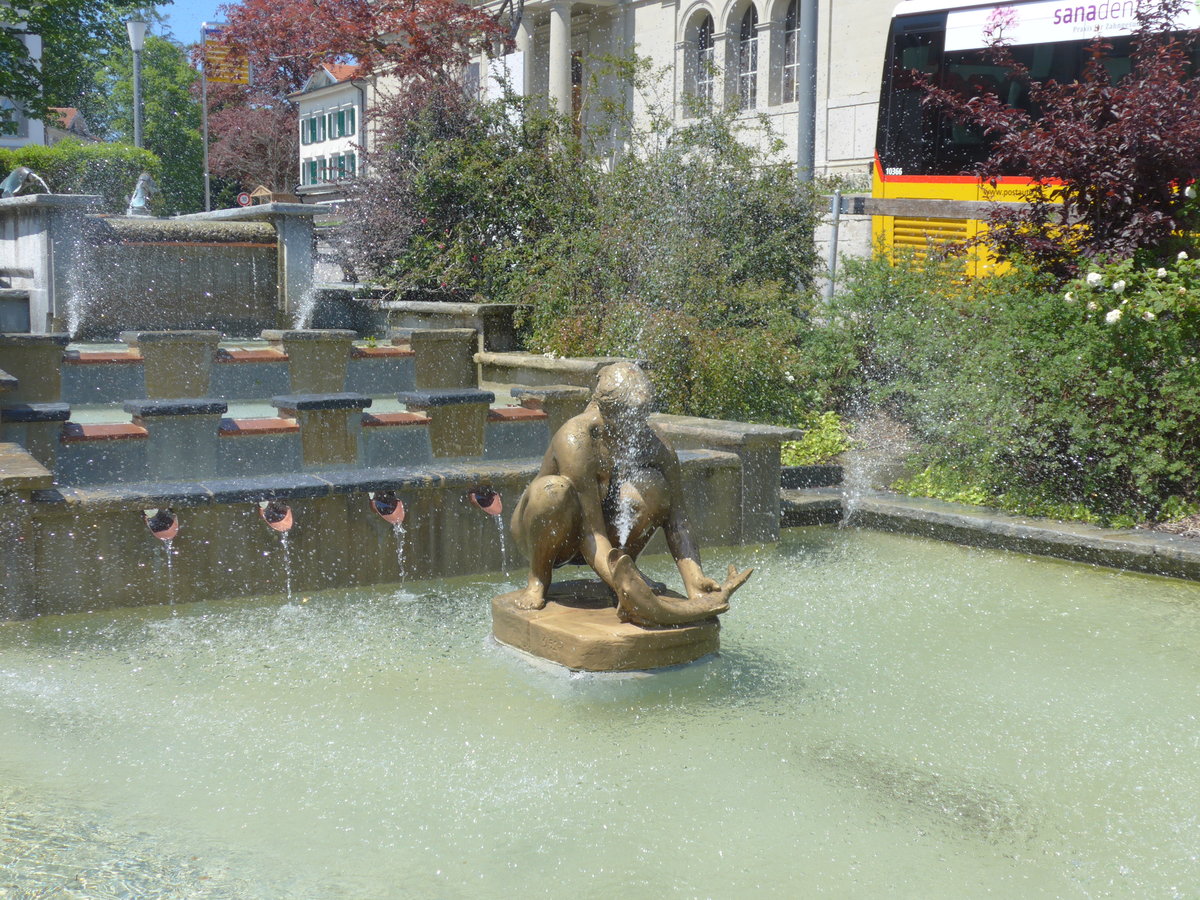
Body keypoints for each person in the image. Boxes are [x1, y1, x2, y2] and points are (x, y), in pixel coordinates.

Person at [501, 362, 750, 626]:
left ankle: (625, 568)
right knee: (552, 492)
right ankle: (538, 579)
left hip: (599, 536)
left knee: (653, 485)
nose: (638, 425)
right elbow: (590, 533)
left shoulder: (654, 442)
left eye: (643, 415)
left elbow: (678, 520)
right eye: (630, 417)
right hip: (553, 534)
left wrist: (695, 580)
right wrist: (626, 586)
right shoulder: (577, 438)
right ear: (605, 411)